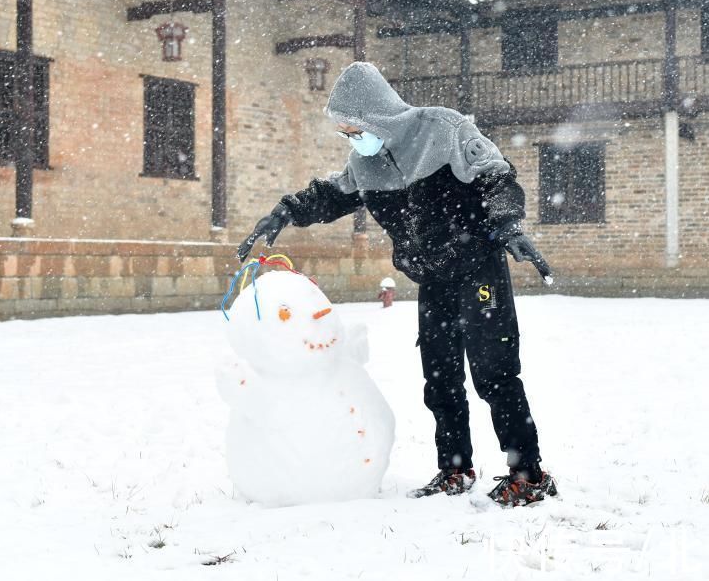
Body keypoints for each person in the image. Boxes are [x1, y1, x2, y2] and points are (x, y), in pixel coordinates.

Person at [236, 62, 557, 506]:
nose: (352, 139)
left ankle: (529, 475)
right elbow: (332, 193)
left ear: (378, 118)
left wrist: (508, 225)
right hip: (433, 276)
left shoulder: (444, 129)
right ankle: (455, 469)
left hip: (477, 265)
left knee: (494, 373)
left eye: (355, 129)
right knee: (439, 377)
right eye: (345, 133)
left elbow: (495, 176)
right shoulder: (364, 161)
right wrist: (285, 212)